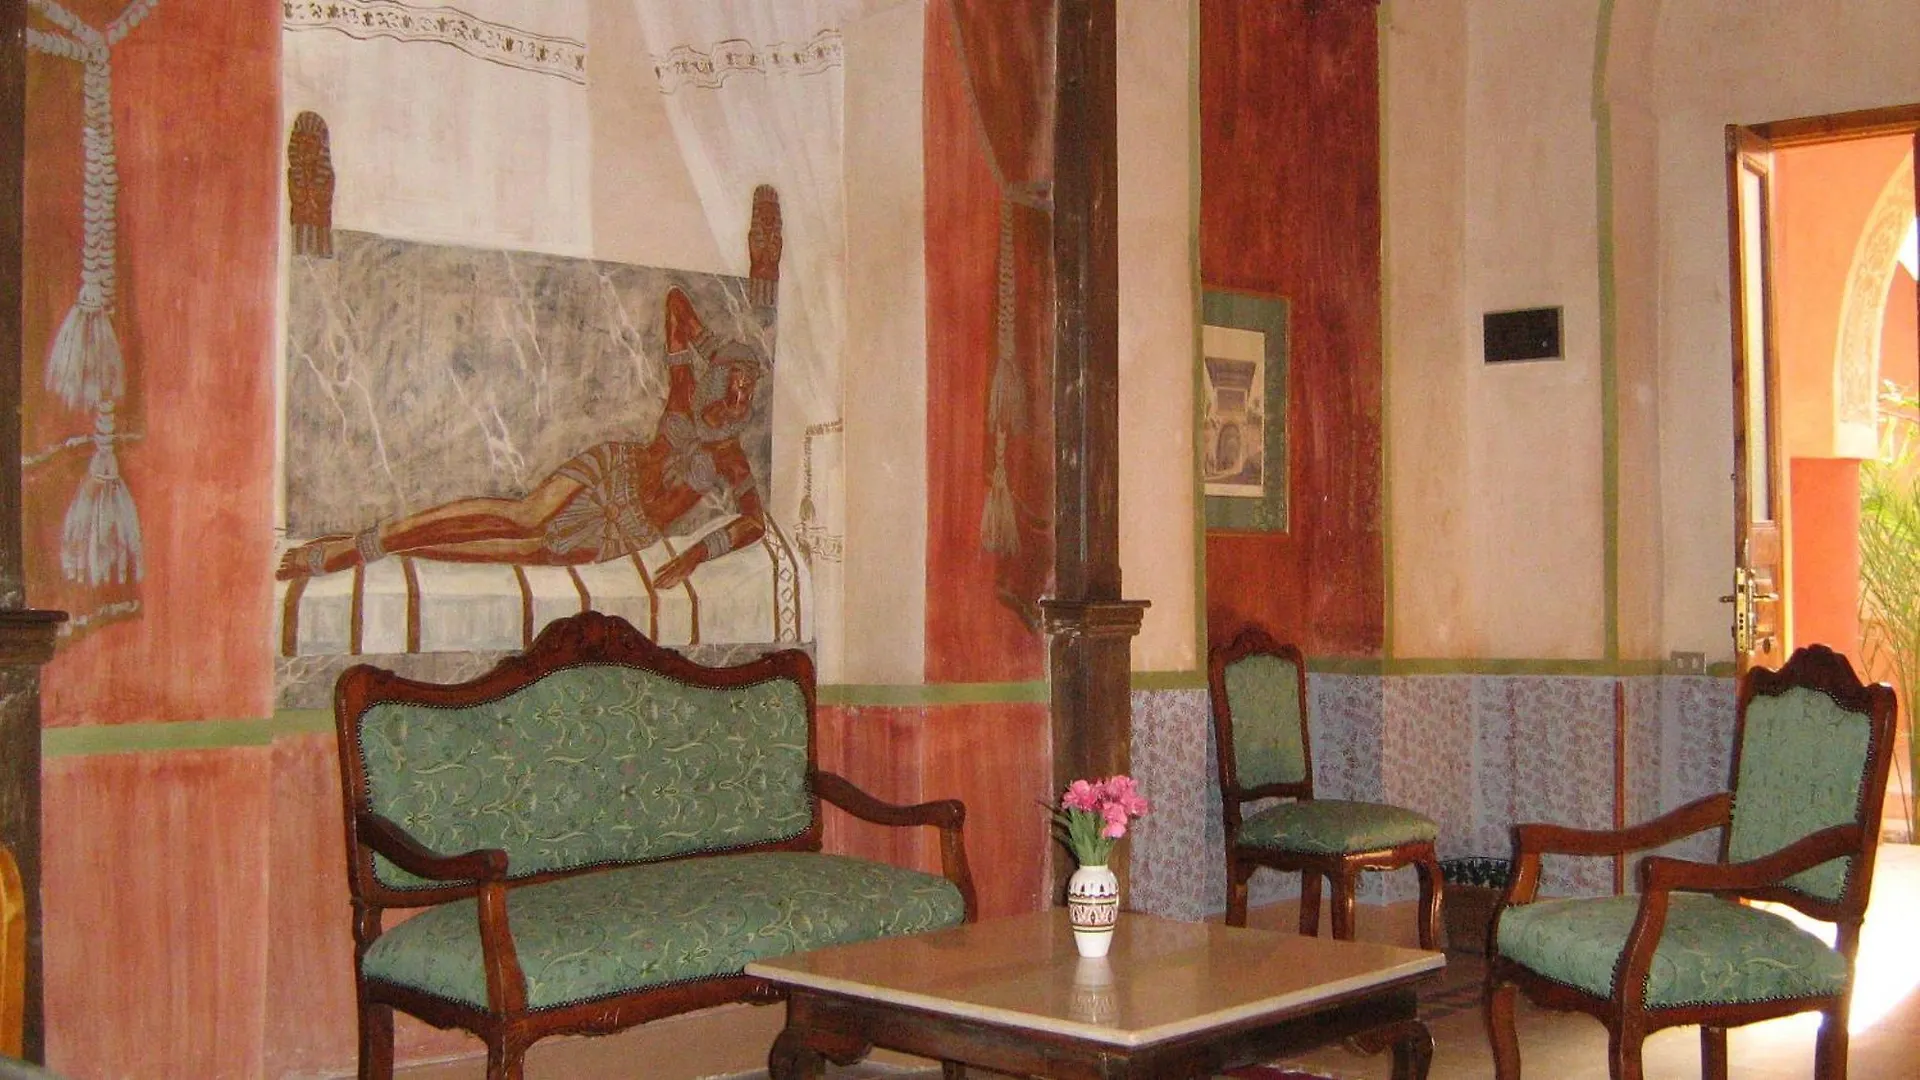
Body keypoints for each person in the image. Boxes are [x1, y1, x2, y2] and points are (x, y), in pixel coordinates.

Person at [277, 286, 767, 591]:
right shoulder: (684, 393)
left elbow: (754, 523)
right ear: (716, 376)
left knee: (502, 551)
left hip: (627, 529)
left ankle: (381, 549)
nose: (738, 399)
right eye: (734, 382)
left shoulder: (730, 457)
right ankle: (360, 545)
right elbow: (676, 302)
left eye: (746, 393)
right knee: (522, 515)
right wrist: (715, 347)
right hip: (612, 469)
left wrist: (697, 555)